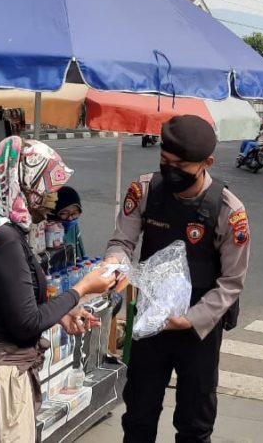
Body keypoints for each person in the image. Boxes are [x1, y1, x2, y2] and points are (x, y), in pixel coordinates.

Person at [0, 136, 118, 442]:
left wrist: (62, 313)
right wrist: (82, 288)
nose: (50, 198)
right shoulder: (4, 238)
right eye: (47, 188)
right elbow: (25, 323)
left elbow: (7, 302)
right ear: (25, 184)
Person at [106, 115, 250, 443]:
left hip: (198, 328)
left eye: (180, 165)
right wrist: (115, 263)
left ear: (207, 162)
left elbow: (232, 281)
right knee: (138, 415)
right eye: (164, 160)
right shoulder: (144, 191)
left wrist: (190, 319)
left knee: (195, 422)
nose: (170, 170)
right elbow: (122, 242)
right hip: (150, 320)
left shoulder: (227, 209)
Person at [50, 186, 87, 261]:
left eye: (74, 213)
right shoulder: (49, 228)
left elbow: (79, 256)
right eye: (64, 213)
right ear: (55, 212)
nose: (70, 218)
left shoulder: (73, 226)